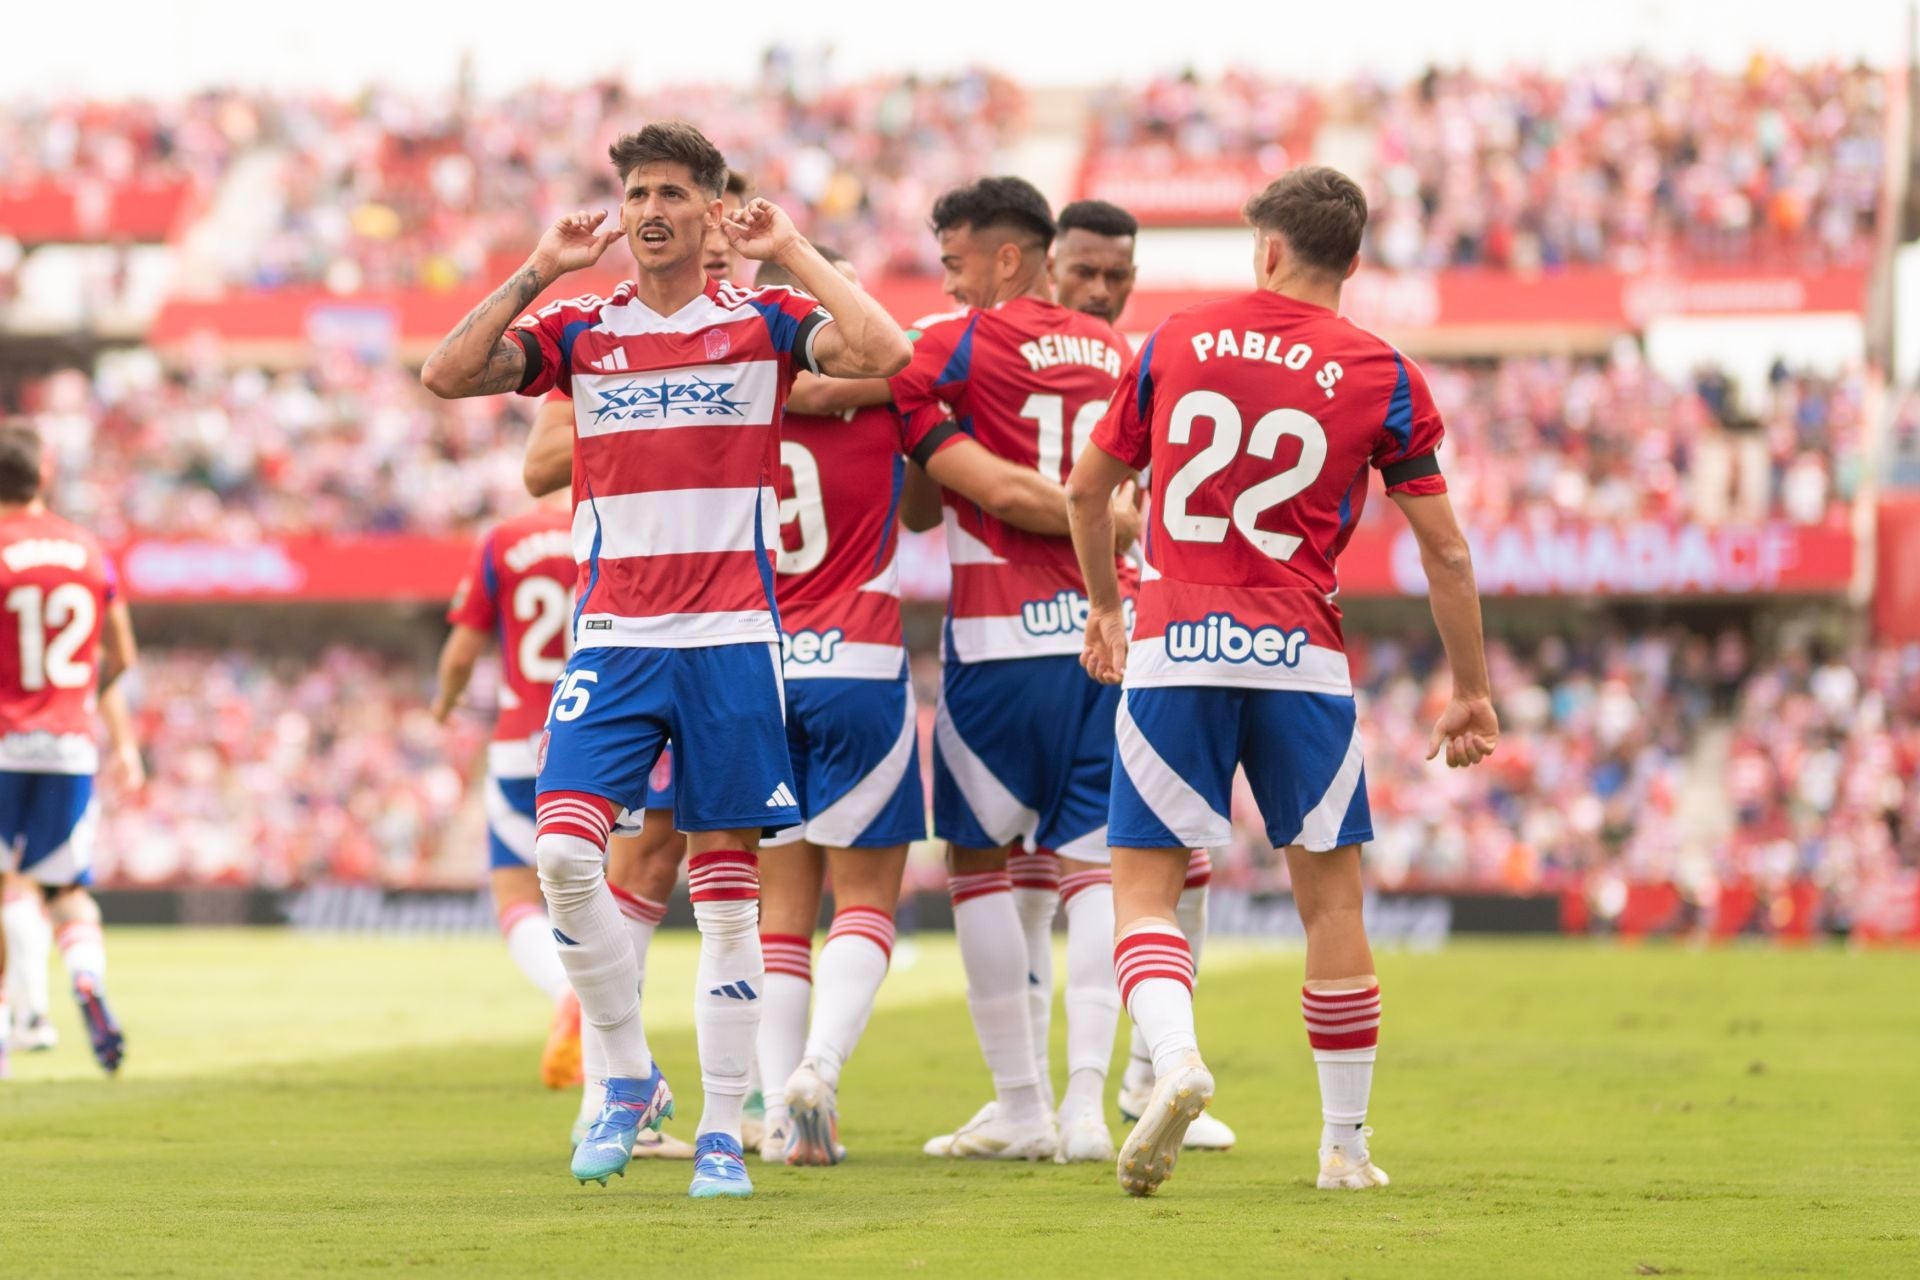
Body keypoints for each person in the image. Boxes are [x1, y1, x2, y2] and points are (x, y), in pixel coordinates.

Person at [421, 120, 910, 1199]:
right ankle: (632, 1074)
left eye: (674, 192)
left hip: (733, 640)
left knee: (728, 898)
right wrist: (537, 268)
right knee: (562, 858)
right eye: (637, 190)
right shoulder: (582, 326)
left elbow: (887, 355)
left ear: (709, 209)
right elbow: (446, 371)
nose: (650, 207)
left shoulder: (765, 318)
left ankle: (726, 1132)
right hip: (614, 638)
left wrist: (792, 251)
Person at [1064, 166, 1499, 1197]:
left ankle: (1172, 1060)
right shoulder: (1384, 371)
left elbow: (1087, 488)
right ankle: (1344, 1145)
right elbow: (1445, 552)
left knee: (1144, 887)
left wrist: (1106, 606)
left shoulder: (1176, 340)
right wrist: (1470, 688)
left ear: (1266, 249)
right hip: (1299, 652)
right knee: (1332, 903)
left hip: (1176, 640)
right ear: (1351, 262)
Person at [888, 177, 1135, 1163]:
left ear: (1002, 257)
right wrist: (1106, 516)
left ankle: (1022, 1103)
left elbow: (922, 463)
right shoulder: (1121, 350)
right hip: (1100, 637)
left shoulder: (956, 343)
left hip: (996, 644)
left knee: (980, 865)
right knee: (1098, 870)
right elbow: (1132, 499)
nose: (948, 285)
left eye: (955, 264)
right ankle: (1086, 1105)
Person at [1052, 197, 1237, 1155]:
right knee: (1037, 869)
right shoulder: (999, 352)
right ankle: (1044, 1098)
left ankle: (1134, 1076)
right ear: (1041, 264)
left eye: (1117, 275)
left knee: (1169, 858)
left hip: (1145, 637)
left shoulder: (1155, 366)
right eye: (1083, 270)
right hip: (1038, 630)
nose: (1100, 289)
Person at [744, 248, 925, 1167]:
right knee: (865, 902)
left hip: (759, 669)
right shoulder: (891, 394)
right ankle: (820, 1067)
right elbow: (901, 360)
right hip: (857, 655)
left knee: (781, 912)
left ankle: (778, 1113)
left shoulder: (739, 393)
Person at [0, 421, 139, 1077]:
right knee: (65, 886)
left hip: (3, 741)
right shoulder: (87, 550)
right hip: (68, 745)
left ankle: (21, 1013)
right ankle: (84, 978)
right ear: (45, 476)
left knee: (7, 885)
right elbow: (121, 655)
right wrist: (102, 722)